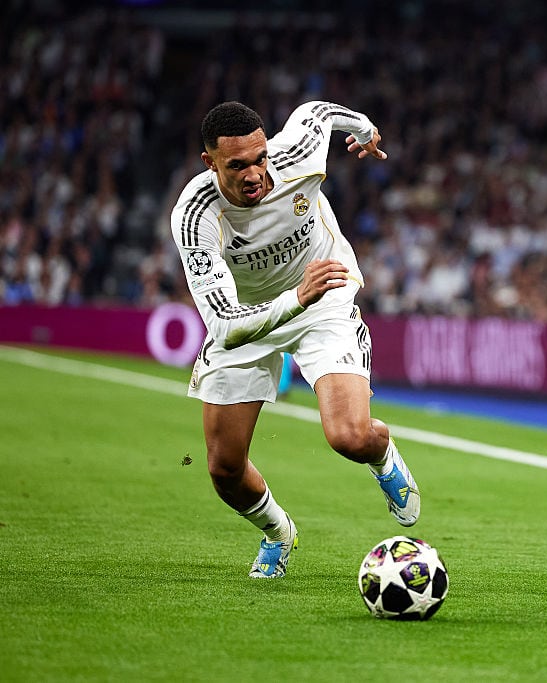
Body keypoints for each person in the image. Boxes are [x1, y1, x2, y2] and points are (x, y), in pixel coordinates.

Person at [171, 100, 420, 579]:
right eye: (237, 165)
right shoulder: (195, 216)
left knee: (348, 436)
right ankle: (277, 532)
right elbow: (224, 326)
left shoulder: (296, 154)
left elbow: (320, 112)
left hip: (323, 294)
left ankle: (382, 451)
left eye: (259, 157)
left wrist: (366, 130)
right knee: (224, 470)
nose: (254, 174)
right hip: (248, 317)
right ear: (210, 164)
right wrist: (293, 300)